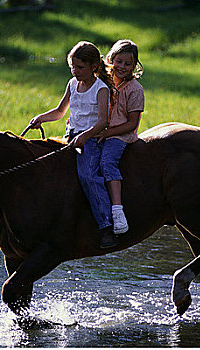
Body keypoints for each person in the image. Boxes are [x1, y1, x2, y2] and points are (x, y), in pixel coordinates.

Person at [28, 41, 119, 249]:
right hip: (71, 136)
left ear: (94, 66)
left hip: (91, 140)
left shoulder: (101, 89)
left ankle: (106, 226)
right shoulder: (72, 84)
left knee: (88, 176)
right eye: (73, 67)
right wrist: (40, 118)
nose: (75, 71)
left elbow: (103, 122)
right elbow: (60, 111)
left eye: (80, 67)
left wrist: (85, 136)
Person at [96, 39, 144, 236]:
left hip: (120, 135)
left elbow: (132, 124)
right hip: (99, 130)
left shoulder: (134, 89)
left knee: (107, 162)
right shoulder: (103, 81)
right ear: (111, 59)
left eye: (128, 63)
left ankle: (117, 210)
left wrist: (107, 133)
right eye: (119, 61)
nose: (122, 67)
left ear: (134, 66)